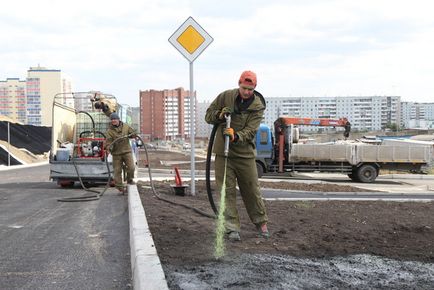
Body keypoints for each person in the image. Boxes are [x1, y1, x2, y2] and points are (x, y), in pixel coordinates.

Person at [205, 70, 269, 241]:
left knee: (251, 189)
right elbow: (208, 116)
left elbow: (250, 131)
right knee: (226, 191)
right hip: (223, 154)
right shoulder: (225, 97)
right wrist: (219, 115)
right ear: (238, 84)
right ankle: (232, 228)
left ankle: (261, 223)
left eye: (250, 89)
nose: (246, 92)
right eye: (244, 88)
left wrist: (236, 136)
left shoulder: (257, 106)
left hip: (245, 154)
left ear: (255, 88)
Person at [105, 112, 136, 193]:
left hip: (127, 151)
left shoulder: (126, 127)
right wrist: (109, 147)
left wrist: (133, 135)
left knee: (131, 167)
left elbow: (133, 133)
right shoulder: (109, 131)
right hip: (116, 154)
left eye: (115, 119)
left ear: (119, 119)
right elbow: (108, 142)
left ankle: (129, 179)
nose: (113, 121)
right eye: (112, 119)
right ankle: (120, 187)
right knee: (117, 171)